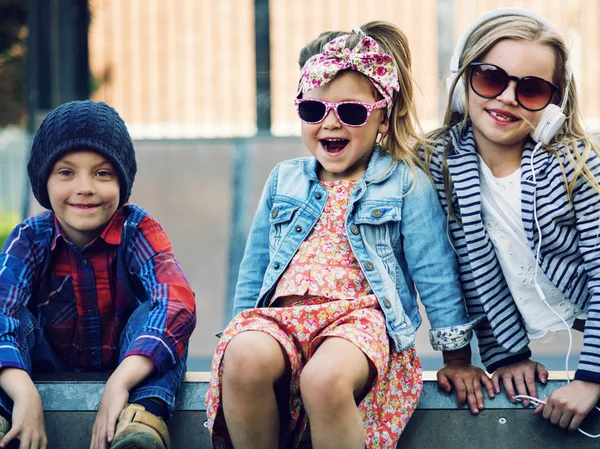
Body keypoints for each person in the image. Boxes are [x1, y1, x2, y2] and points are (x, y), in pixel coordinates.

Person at [205, 21, 489, 449]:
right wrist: (240, 328)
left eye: (352, 112)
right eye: (313, 111)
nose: (330, 124)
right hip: (282, 318)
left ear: (383, 117)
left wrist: (457, 358)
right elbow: (256, 266)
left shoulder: (404, 183)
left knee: (325, 379)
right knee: (243, 358)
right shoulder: (285, 180)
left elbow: (435, 272)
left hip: (360, 321)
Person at [421, 7, 600, 433]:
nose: (506, 98)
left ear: (554, 103)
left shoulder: (576, 166)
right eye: (490, 77)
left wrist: (591, 378)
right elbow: (465, 269)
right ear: (460, 79)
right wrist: (507, 356)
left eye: (532, 89)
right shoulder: (436, 165)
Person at [0, 100, 196, 449]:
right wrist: (23, 390)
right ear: (43, 181)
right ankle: (5, 415)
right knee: (15, 318)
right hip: (41, 370)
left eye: (102, 173)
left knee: (164, 319)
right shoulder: (28, 238)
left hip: (128, 372)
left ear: (122, 181)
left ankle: (143, 422)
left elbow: (176, 300)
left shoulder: (138, 229)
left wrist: (121, 380)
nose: (85, 187)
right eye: (66, 172)